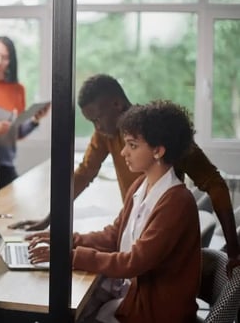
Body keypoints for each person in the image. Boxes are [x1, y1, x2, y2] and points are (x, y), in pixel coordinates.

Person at [11, 73, 240, 274]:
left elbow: (215, 184)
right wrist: (53, 222)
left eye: (97, 119)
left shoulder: (160, 133)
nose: (96, 128)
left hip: (156, 236)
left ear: (116, 104)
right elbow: (84, 173)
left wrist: (233, 250)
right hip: (133, 231)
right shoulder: (107, 135)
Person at [28, 100, 201, 323]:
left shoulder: (177, 201)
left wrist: (68, 257)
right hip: (133, 297)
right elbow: (113, 236)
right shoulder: (140, 185)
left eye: (132, 145)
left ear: (158, 151)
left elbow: (133, 262)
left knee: (74, 312)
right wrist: (65, 241)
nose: (123, 152)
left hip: (154, 313)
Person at [0, 36, 50, 189]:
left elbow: (16, 133)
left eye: (4, 57)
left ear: (11, 61)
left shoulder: (17, 90)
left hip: (5, 166)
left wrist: (35, 120)